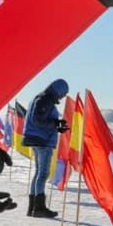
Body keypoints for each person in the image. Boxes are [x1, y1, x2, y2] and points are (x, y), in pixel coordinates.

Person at [22, 78, 70, 218]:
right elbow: (38, 120)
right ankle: (39, 208)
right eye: (63, 94)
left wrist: (57, 125)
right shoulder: (45, 99)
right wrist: (56, 124)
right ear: (59, 90)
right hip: (42, 141)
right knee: (43, 174)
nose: (62, 97)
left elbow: (40, 119)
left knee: (39, 173)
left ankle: (33, 208)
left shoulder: (41, 98)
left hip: (38, 139)